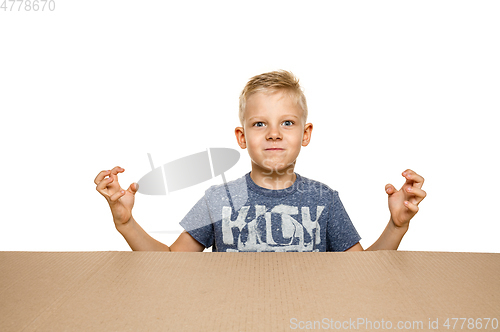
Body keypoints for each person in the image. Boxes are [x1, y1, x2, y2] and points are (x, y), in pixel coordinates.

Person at [94, 70, 426, 252]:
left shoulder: (324, 200)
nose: (273, 134)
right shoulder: (219, 200)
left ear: (305, 134)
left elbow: (363, 275)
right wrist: (126, 223)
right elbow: (170, 266)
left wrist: (397, 226)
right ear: (242, 137)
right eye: (259, 124)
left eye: (287, 123)